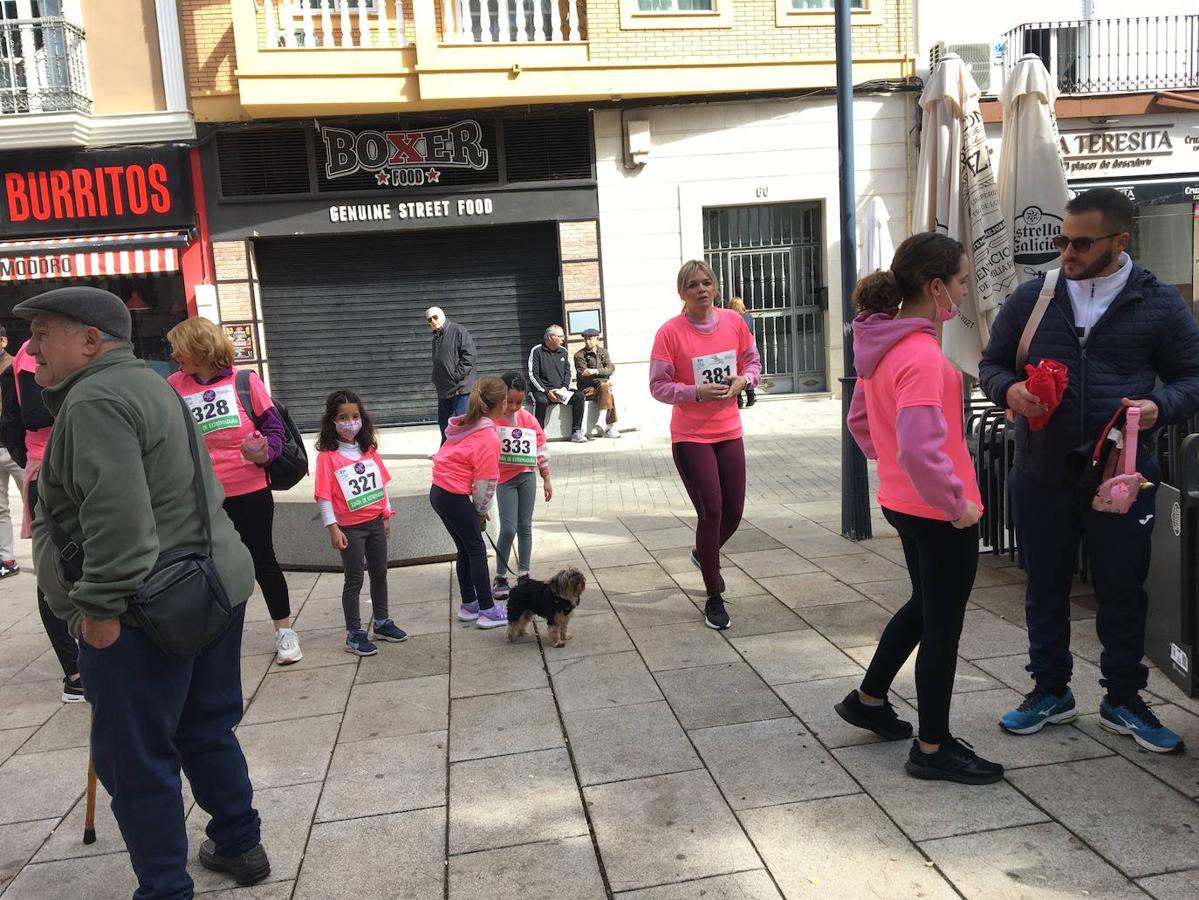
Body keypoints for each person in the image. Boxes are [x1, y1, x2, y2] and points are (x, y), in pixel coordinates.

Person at [15, 286, 270, 896]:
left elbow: (119, 520)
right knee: (205, 726)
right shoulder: (152, 383)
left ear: (89, 339)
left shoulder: (95, 399)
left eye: (43, 332)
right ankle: (239, 841)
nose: (31, 347)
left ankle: (164, 887)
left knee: (135, 759)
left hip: (141, 609)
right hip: (209, 585)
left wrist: (98, 608)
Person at [980, 187, 1199, 754]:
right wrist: (1013, 389)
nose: (1067, 252)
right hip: (1040, 468)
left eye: (1081, 242)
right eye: (1062, 239)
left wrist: (1160, 407)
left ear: (1120, 241)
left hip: (1120, 475)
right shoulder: (1033, 297)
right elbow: (991, 364)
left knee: (1123, 589)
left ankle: (1122, 698)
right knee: (1044, 585)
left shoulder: (1159, 303)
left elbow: (1191, 378)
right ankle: (1050, 691)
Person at [838, 232, 1003, 785]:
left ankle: (868, 699)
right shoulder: (922, 357)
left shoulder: (880, 345)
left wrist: (896, 472)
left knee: (925, 607)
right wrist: (955, 504)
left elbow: (863, 423)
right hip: (938, 513)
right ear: (937, 287)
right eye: (960, 281)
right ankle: (933, 748)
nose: (963, 291)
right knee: (942, 627)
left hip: (903, 503)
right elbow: (918, 445)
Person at [166, 317, 302, 667]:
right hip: (202, 494)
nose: (173, 354)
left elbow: (274, 426)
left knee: (263, 560)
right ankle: (216, 636)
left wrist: (266, 453)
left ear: (199, 347)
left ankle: (284, 631)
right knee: (209, 565)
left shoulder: (244, 381)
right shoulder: (173, 386)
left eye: (178, 346)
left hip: (250, 489)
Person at [649, 260, 760, 631]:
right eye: (693, 284)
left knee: (734, 512)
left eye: (707, 282)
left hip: (729, 430)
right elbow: (658, 386)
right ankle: (714, 595)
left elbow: (752, 362)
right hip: (691, 436)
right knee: (711, 511)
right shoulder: (670, 332)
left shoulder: (734, 322)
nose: (701, 289)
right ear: (682, 292)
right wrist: (694, 391)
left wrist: (744, 381)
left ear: (715, 287)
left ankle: (703, 552)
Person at [6, 338, 82, 702]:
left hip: (74, 465)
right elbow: (30, 416)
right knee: (54, 571)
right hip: (50, 470)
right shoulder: (31, 353)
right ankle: (75, 674)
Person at [313, 390, 406, 657]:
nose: (350, 422)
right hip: (349, 529)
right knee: (353, 580)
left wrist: (386, 515)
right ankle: (354, 633)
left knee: (380, 574)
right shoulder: (328, 457)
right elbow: (324, 496)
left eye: (354, 416)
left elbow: (381, 485)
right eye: (343, 417)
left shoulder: (369, 450)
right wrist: (333, 528)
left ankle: (382, 621)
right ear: (332, 421)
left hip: (375, 522)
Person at [430, 376, 508, 628]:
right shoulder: (487, 436)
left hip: (439, 492)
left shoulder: (466, 425)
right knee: (475, 549)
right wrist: (480, 511)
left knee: (465, 548)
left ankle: (469, 605)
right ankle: (487, 609)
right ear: (501, 403)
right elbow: (486, 482)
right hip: (453, 494)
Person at [491, 372, 552, 599]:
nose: (514, 406)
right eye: (509, 401)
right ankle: (500, 575)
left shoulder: (528, 419)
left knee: (525, 526)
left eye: (519, 402)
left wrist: (546, 477)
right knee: (508, 529)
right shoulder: (493, 420)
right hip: (504, 480)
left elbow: (541, 448)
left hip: (527, 476)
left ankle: (524, 574)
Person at [528, 325, 587, 443]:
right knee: (541, 401)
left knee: (579, 396)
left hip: (561, 390)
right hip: (542, 391)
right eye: (560, 336)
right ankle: (538, 435)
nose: (563, 339)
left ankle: (576, 431)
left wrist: (564, 388)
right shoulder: (537, 350)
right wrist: (546, 391)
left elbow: (567, 373)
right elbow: (532, 374)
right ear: (550, 337)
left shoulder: (563, 351)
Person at [427, 306, 478, 444]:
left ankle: (463, 450)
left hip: (460, 388)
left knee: (460, 422)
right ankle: (446, 449)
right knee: (444, 423)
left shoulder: (458, 331)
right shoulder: (436, 338)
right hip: (444, 389)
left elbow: (470, 356)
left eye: (435, 317)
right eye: (429, 320)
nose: (432, 321)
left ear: (443, 316)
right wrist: (436, 378)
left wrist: (456, 375)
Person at [0, 326, 23, 578]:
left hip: (16, 447)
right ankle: (6, 559)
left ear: (4, 340)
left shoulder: (16, 366)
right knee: (0, 508)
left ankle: (48, 560)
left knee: (35, 507)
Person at [573, 328, 621, 439]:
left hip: (601, 388)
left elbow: (610, 368)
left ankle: (602, 421)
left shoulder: (603, 352)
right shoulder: (579, 355)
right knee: (607, 388)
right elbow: (583, 376)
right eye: (585, 339)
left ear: (597, 339)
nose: (587, 341)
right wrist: (604, 379)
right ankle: (609, 427)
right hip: (587, 389)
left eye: (590, 338)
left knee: (606, 389)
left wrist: (595, 371)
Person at [727, 298, 757, 409]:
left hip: (736, 346)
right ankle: (751, 397)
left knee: (736, 371)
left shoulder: (731, 317)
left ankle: (739, 400)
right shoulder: (748, 315)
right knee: (747, 370)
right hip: (749, 345)